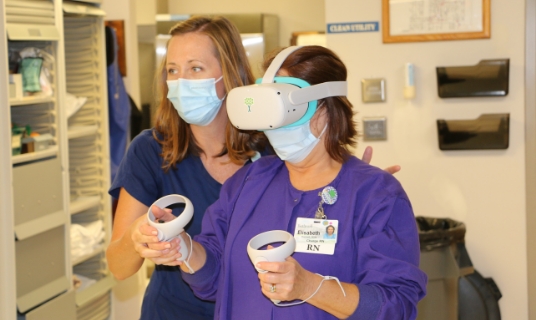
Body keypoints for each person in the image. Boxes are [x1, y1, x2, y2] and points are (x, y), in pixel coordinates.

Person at [105, 16, 398, 320]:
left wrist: (352, 192)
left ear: (229, 73)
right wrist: (140, 238)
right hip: (176, 310)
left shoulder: (276, 146)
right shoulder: (152, 151)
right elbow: (120, 266)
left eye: (195, 68)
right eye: (172, 71)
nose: (181, 83)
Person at [157, 45, 427, 320]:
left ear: (325, 109)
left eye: (286, 108)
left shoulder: (376, 195)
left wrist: (311, 287)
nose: (276, 125)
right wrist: (185, 249)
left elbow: (396, 305)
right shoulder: (249, 182)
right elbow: (215, 280)